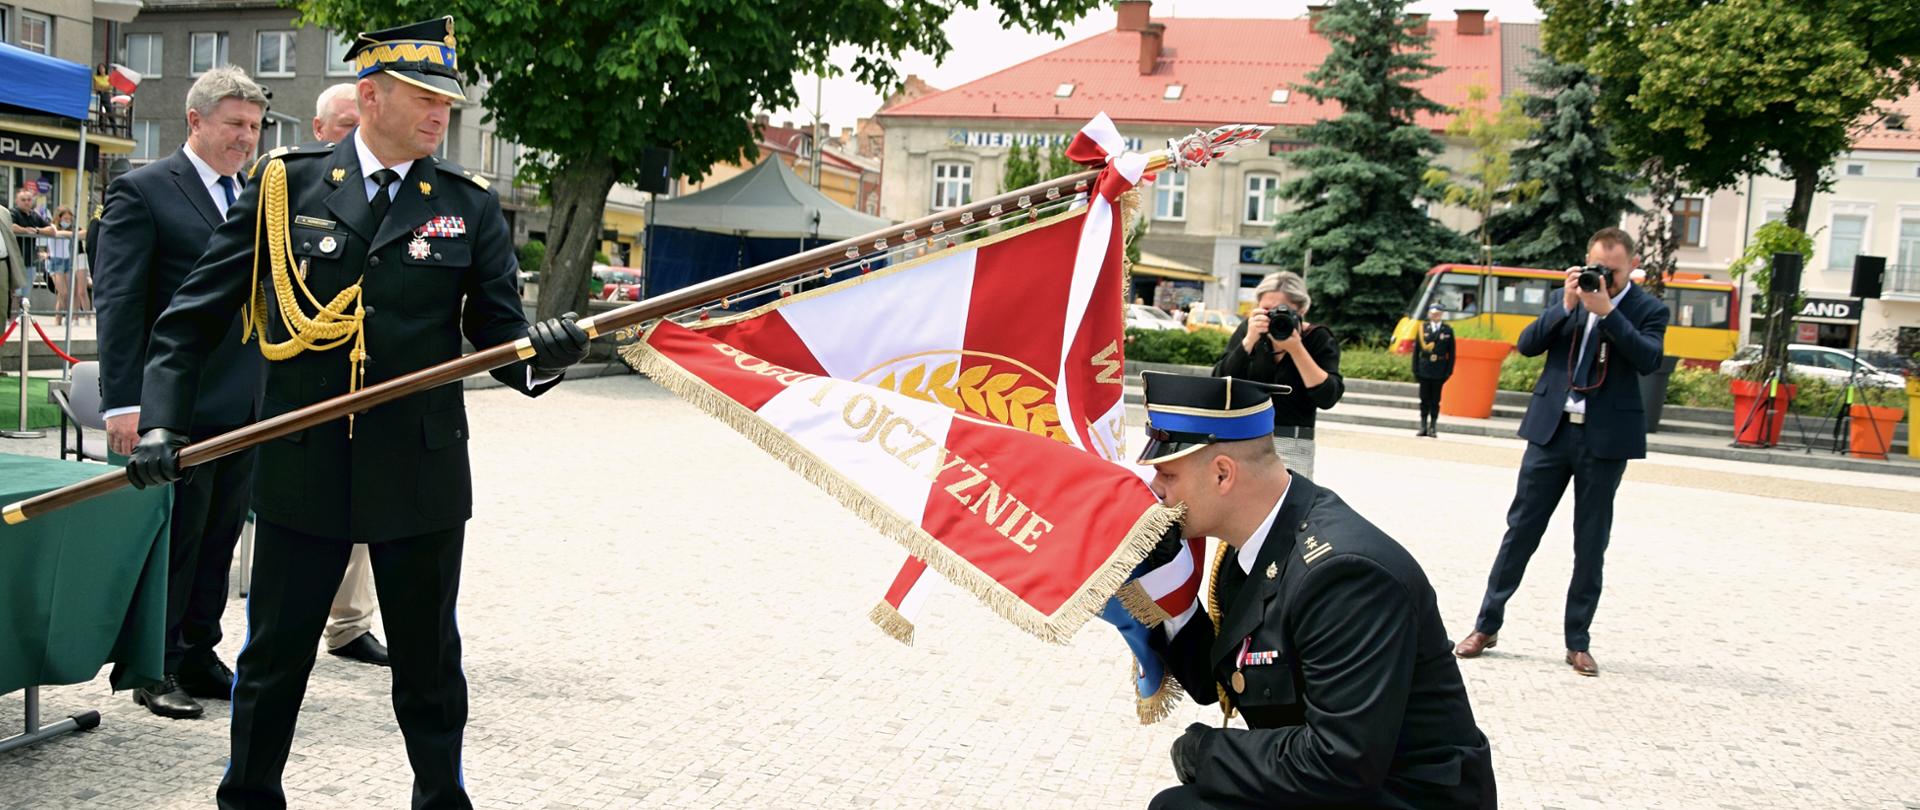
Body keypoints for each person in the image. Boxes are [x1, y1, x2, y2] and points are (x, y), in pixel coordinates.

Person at [123, 17, 590, 809]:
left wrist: (544, 352)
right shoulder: (286, 186)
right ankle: (248, 796)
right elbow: (189, 320)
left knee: (430, 661)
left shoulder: (468, 206)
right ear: (369, 96)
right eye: (424, 97)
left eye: (448, 101)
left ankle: (441, 799)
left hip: (419, 464)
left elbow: (498, 337)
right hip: (305, 460)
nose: (442, 115)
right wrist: (164, 421)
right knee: (273, 658)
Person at [1135, 371, 1495, 809]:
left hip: (1402, 795)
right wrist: (1161, 587)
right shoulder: (1249, 547)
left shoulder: (1343, 576)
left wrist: (1205, 753)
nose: (1156, 490)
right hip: (1347, 782)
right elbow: (1220, 682)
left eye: (1168, 474)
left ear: (1223, 474)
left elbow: (1340, 761)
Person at [93, 66, 270, 720]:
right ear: (195, 121)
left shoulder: (253, 196)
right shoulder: (143, 191)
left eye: (253, 127)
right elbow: (119, 302)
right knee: (177, 541)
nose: (245, 139)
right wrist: (124, 405)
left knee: (220, 536)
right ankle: (153, 664)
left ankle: (198, 649)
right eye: (234, 125)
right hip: (177, 406)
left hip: (243, 405)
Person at [1453, 228, 1670, 677]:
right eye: (1595, 266)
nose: (1601, 276)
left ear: (1630, 266)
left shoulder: (1648, 308)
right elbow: (1529, 345)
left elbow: (1649, 360)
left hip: (1604, 439)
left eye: (1611, 270)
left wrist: (1608, 312)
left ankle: (1578, 641)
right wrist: (1568, 305)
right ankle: (1486, 624)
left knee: (1591, 541)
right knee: (1520, 531)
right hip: (1551, 433)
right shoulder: (1567, 298)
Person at [302, 80, 390, 668]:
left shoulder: (402, 193)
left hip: (363, 385)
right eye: (341, 122)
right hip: (293, 385)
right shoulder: (291, 187)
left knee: (362, 514)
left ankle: (349, 624)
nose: (352, 130)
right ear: (319, 129)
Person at [1210, 271, 1343, 477]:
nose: (1274, 316)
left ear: (1302, 309)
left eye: (1283, 310)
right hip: (1242, 438)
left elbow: (1328, 397)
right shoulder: (1251, 330)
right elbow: (1219, 382)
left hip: (1293, 442)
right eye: (1266, 309)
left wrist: (1296, 349)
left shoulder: (1317, 338)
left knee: (1289, 507)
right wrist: (1249, 340)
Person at [1412, 303, 1455, 437]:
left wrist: (1448, 371)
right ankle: (1423, 426)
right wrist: (1415, 369)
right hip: (1424, 368)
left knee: (1435, 400)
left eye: (1437, 313)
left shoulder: (1447, 330)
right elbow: (1416, 352)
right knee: (1424, 399)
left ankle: (1433, 427)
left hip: (1439, 369)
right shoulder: (1422, 328)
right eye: (1432, 313)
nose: (1434, 315)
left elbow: (1451, 353)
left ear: (1441, 314)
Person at [45, 206, 86, 324]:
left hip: (67, 260)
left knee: (68, 293)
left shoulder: (71, 229)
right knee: (63, 292)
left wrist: (70, 233)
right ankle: (65, 316)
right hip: (55, 262)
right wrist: (70, 234)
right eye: (65, 219)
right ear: (59, 218)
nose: (67, 221)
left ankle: (59, 319)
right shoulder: (51, 227)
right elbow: (54, 234)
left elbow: (83, 233)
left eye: (69, 219)